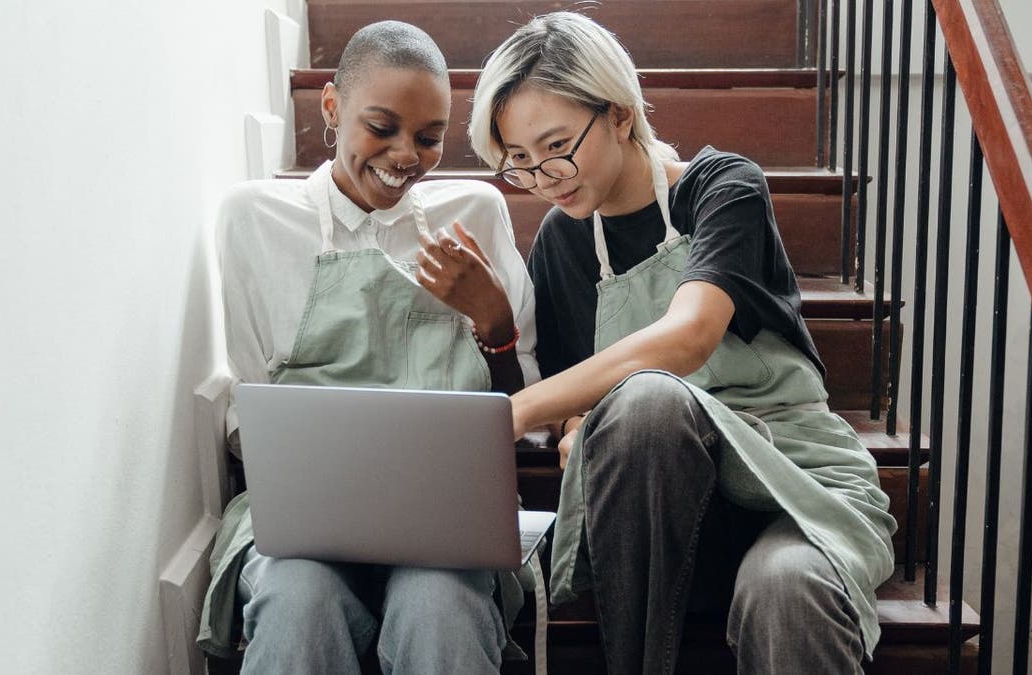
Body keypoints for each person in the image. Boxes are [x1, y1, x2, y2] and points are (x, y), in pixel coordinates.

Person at [469, 11, 898, 674]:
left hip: (791, 483)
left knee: (788, 588)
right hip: (655, 520)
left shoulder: (723, 187)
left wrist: (516, 411)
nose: (545, 175)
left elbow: (691, 334)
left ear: (618, 112)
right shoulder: (560, 241)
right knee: (644, 408)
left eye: (555, 145)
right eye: (519, 162)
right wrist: (574, 423)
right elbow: (584, 405)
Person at [195, 21, 540, 674]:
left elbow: (522, 414)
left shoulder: (475, 212)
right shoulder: (254, 221)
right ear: (331, 107)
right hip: (303, 529)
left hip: (446, 526)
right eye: (382, 127)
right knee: (297, 600)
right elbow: (249, 419)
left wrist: (496, 327)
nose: (407, 154)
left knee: (438, 605)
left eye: (430, 137)